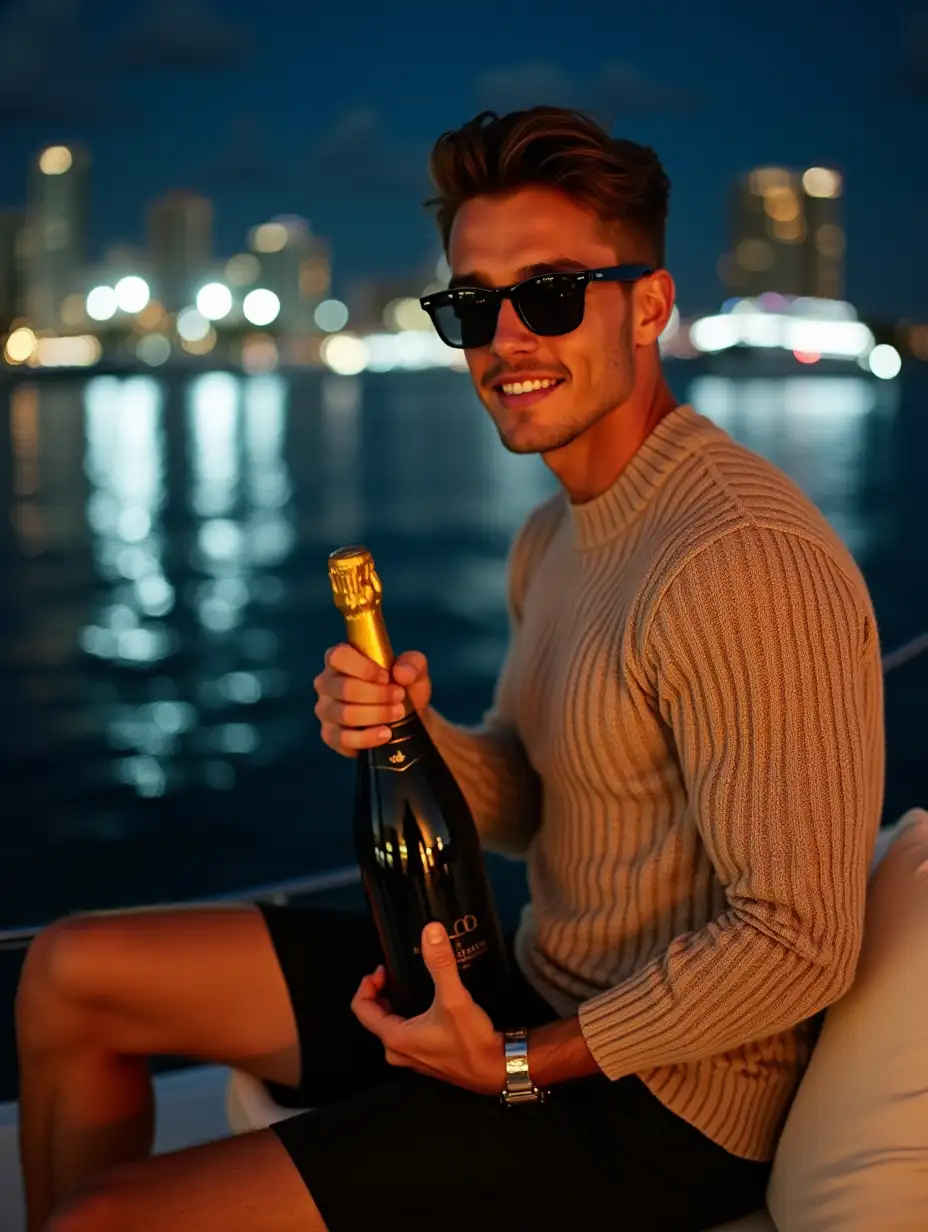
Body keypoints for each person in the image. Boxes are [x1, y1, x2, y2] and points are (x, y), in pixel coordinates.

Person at [16, 106, 884, 1232]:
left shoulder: (737, 558)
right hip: (527, 990)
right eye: (473, 304)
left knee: (109, 1217)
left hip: (663, 1104)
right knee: (73, 973)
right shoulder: (559, 533)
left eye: (553, 292)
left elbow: (798, 937)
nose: (507, 337)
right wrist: (410, 731)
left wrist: (519, 1060)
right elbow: (539, 795)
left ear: (651, 306)